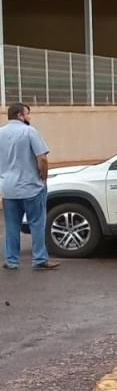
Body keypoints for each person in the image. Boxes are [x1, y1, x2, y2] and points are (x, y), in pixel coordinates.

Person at [0, 103, 60, 270]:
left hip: (9, 188)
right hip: (31, 187)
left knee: (12, 226)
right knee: (37, 223)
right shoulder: (29, 132)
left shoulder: (0, 133)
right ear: (20, 115)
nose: (29, 116)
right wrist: (43, 178)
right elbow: (42, 158)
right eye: (27, 113)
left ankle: (11, 261)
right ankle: (39, 259)